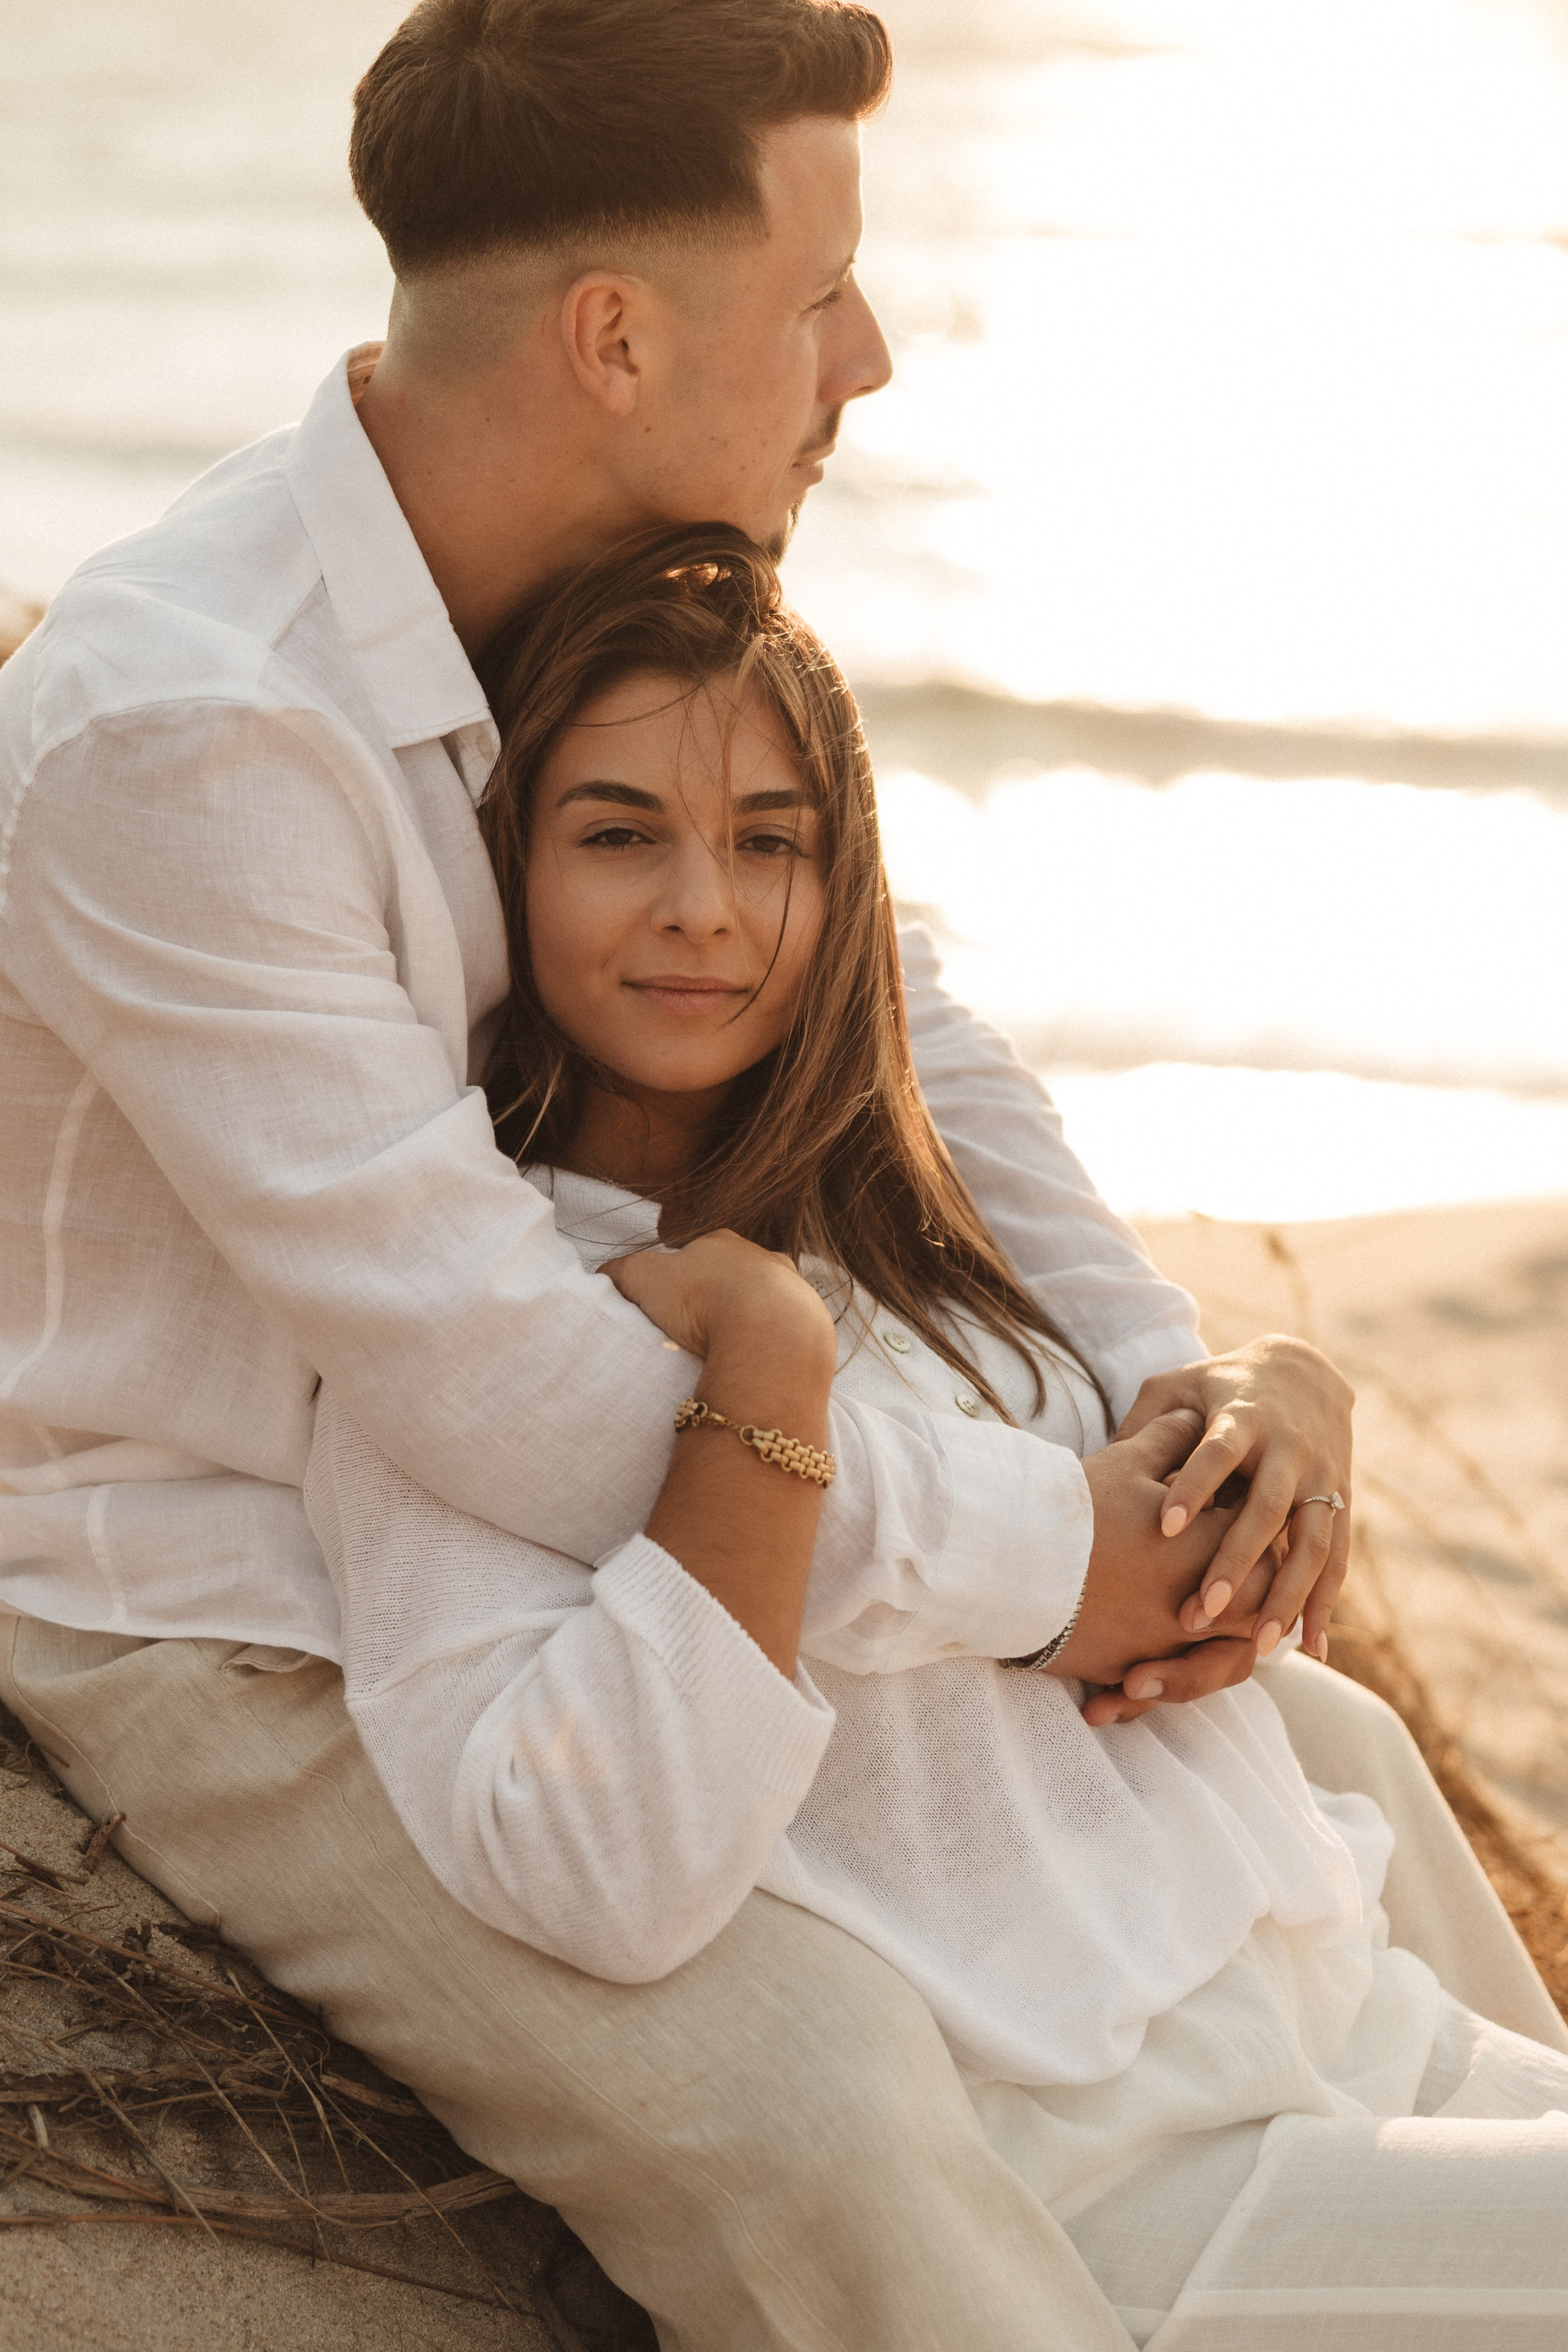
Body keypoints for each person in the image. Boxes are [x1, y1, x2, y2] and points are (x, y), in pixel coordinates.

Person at [0, 4, 1554, 2345]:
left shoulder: (588, 580)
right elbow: (502, 1392)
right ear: (616, 337)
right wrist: (1060, 1562)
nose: (875, 354)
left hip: (585, 1484)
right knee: (811, 2099)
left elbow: (903, 1009)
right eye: (821, 288)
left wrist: (1187, 1401)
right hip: (235, 1582)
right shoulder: (190, 730)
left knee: (1312, 1738)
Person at [307, 521, 1568, 2348]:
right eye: (618, 834)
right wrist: (765, 1380)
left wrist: (1279, 1378)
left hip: (1356, 2026)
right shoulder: (476, 1339)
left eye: (772, 842)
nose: (705, 908)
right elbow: (603, 1869)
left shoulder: (905, 1222)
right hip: (1135, 2176)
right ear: (503, 871)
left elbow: (1184, 1529)